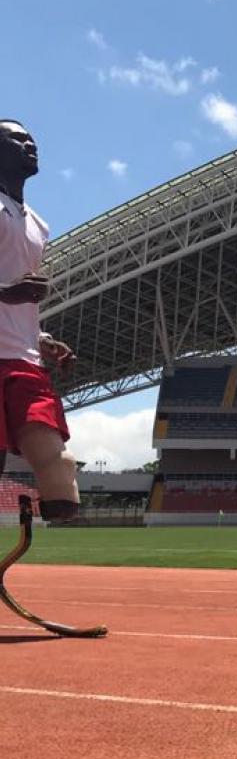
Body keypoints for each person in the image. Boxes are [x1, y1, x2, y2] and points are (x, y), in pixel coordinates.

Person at [0, 119, 80, 523]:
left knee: (59, 472)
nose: (29, 144)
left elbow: (20, 296)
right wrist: (4, 291)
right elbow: (10, 289)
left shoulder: (38, 223)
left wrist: (42, 336)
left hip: (24, 359)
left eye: (31, 138)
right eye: (16, 139)